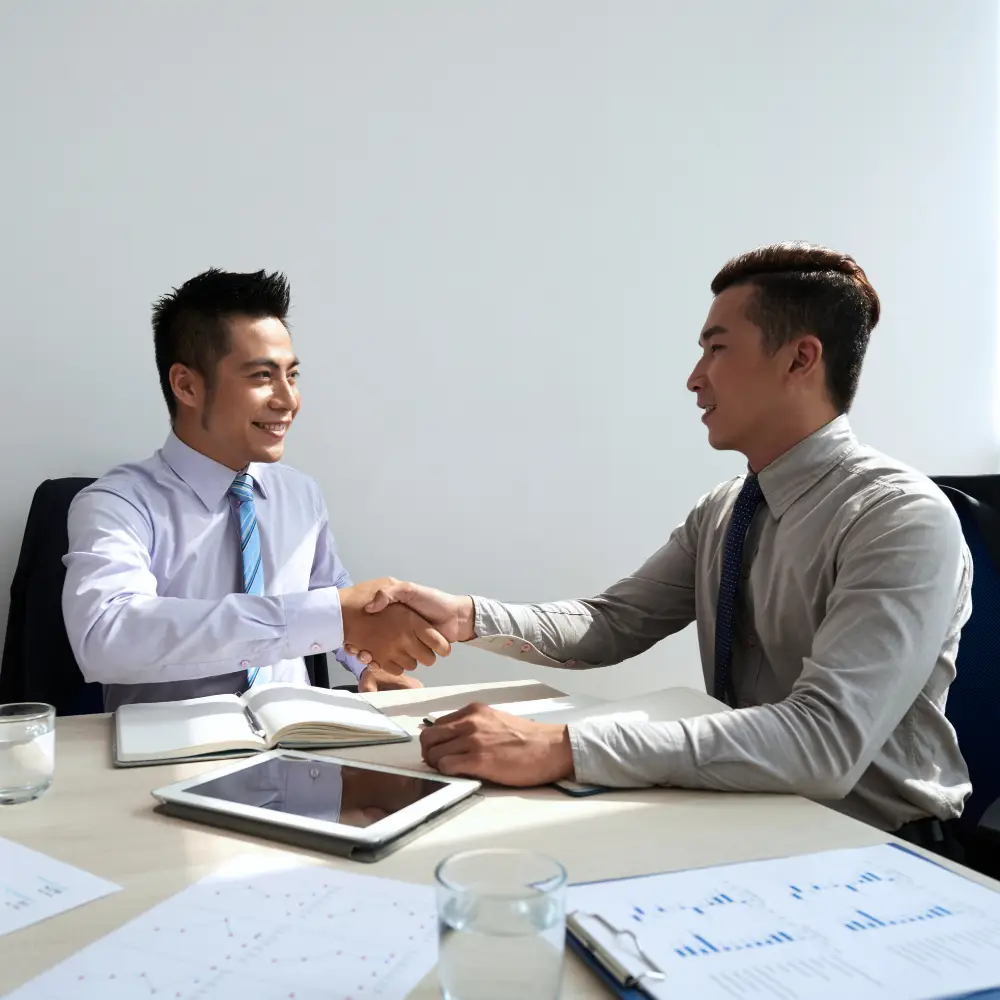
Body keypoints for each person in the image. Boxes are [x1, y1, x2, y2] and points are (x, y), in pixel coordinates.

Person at [346, 242, 973, 852]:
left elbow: (824, 741)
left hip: (876, 848)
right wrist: (463, 616)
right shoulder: (725, 510)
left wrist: (562, 747)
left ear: (799, 360)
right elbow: (609, 624)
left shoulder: (900, 518)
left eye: (717, 349)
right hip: (746, 819)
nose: (695, 379)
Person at [63, 268, 448, 711]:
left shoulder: (300, 494)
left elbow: (332, 596)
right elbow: (106, 637)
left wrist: (365, 663)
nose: (288, 400)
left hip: (300, 742)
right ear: (186, 385)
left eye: (293, 375)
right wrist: (324, 617)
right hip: (167, 757)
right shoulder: (117, 504)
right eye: (263, 376)